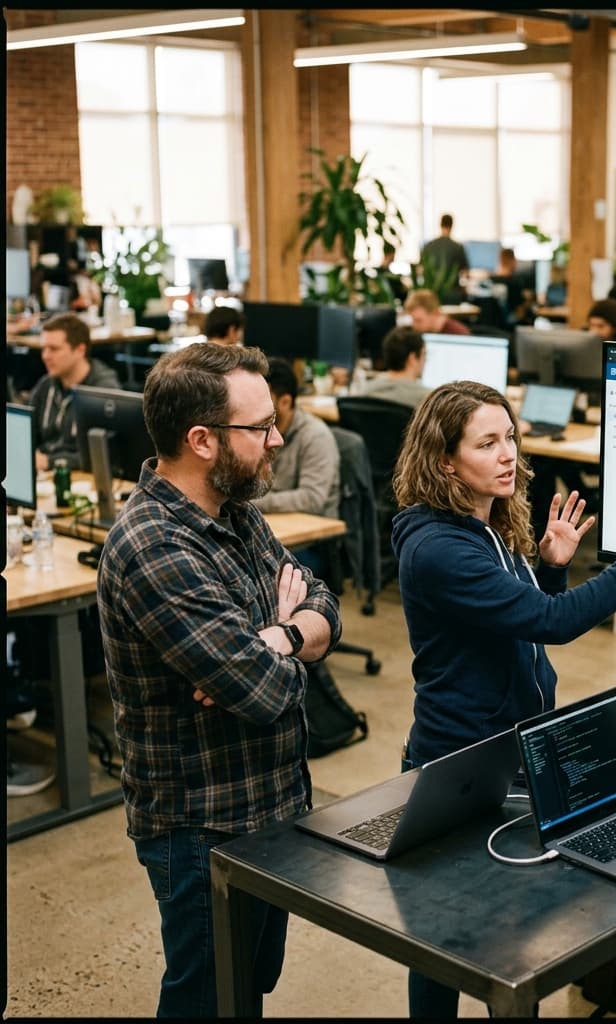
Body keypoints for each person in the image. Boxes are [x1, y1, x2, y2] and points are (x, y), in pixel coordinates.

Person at [390, 380, 616, 1018]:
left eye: (509, 437)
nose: (508, 453)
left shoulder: (482, 526)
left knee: (512, 935)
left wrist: (548, 568)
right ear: (443, 461)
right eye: (486, 444)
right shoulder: (439, 548)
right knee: (440, 943)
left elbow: (519, 622)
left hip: (506, 754)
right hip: (457, 765)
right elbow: (556, 623)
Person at [96, 343, 342, 1018]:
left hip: (270, 806)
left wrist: (281, 634)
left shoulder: (235, 510)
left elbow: (324, 605)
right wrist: (284, 640)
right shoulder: (153, 544)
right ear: (201, 440)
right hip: (204, 826)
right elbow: (268, 693)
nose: (277, 438)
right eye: (258, 427)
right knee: (207, 998)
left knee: (248, 988)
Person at [251, 357, 341, 577]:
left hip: (310, 543)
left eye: (265, 398)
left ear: (285, 401)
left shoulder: (315, 437)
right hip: (267, 530)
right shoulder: (255, 431)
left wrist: (256, 503)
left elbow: (312, 499)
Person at [29, 311, 120, 472]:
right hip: (45, 476)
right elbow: (27, 435)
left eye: (54, 349)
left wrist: (50, 461)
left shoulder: (103, 391)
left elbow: (106, 455)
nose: (45, 356)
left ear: (79, 350)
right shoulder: (46, 385)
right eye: (44, 349)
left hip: (80, 478)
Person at [362, 325, 431, 409]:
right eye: (424, 354)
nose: (425, 360)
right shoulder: (428, 400)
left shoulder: (364, 392)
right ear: (412, 358)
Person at [419, 213, 468, 301]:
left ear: (440, 225)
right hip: (452, 294)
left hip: (431, 293)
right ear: (452, 226)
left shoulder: (428, 246)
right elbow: (465, 273)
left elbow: (420, 270)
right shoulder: (457, 247)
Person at [403, 288, 469, 336]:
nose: (414, 325)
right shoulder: (423, 332)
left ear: (434, 313)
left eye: (418, 320)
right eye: (413, 320)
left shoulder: (458, 334)